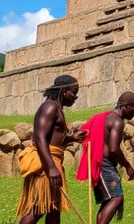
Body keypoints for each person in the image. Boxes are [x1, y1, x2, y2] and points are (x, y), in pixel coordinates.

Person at [16, 75, 88, 224]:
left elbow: (52, 138)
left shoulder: (57, 108)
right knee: (38, 208)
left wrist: (71, 138)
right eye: (73, 93)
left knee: (53, 208)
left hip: (52, 162)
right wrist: (50, 168)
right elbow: (40, 137)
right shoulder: (50, 107)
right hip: (45, 166)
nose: (75, 97)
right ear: (63, 91)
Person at [76, 91, 134, 223]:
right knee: (116, 198)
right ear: (125, 106)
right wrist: (128, 166)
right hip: (104, 166)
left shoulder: (104, 117)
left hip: (99, 164)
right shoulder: (117, 121)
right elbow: (114, 149)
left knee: (109, 199)